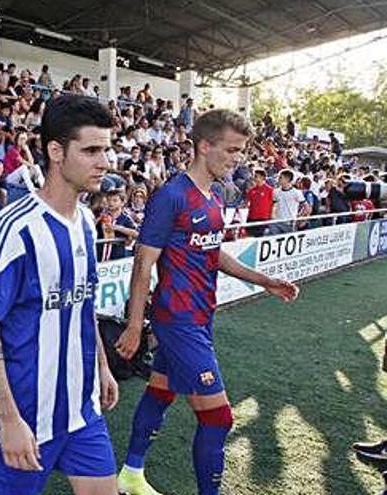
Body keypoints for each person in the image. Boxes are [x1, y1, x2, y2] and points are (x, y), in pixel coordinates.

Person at [114, 109, 300, 495]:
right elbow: (143, 263)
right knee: (218, 420)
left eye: (241, 151)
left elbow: (214, 254)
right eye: (232, 150)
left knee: (161, 391)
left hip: (199, 317)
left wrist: (265, 281)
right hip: (177, 319)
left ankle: (131, 473)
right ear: (204, 145)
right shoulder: (171, 196)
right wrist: (135, 325)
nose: (238, 158)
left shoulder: (212, 198)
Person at [0, 95, 120, 495]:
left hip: (82, 411)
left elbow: (84, 302)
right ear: (56, 151)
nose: (104, 162)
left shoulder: (88, 221)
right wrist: (9, 421)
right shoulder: (12, 227)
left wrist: (101, 367)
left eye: (106, 149)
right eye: (91, 150)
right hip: (25, 418)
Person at [270, 169, 309, 234]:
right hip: (276, 222)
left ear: (287, 179)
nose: (278, 179)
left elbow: (306, 207)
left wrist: (299, 218)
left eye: (280, 177)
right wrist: (272, 217)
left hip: (290, 223)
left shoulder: (296, 192)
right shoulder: (275, 192)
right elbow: (272, 205)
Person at [243, 168, 272, 237]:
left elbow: (274, 205)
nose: (254, 178)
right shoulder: (251, 190)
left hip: (263, 219)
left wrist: (270, 218)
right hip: (251, 218)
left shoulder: (270, 190)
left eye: (256, 176)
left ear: (262, 177)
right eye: (254, 176)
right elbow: (246, 203)